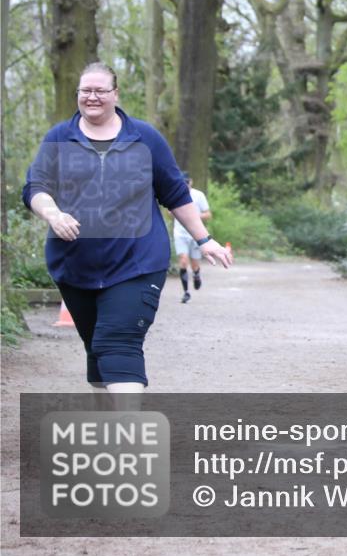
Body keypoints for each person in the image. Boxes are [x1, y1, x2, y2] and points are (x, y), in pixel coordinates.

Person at [22, 62, 233, 398]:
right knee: (97, 350)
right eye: (85, 91)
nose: (92, 97)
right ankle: (108, 433)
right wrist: (53, 213)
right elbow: (36, 187)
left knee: (118, 343)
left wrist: (204, 239)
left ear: (115, 94)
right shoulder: (59, 137)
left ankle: (127, 437)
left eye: (100, 90)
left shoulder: (145, 138)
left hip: (137, 263)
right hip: (75, 267)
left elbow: (175, 193)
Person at [173, 172, 212, 303]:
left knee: (195, 263)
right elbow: (169, 211)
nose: (185, 185)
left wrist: (194, 216)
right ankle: (186, 292)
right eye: (182, 182)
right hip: (180, 233)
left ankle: (196, 274)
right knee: (183, 260)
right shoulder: (175, 193)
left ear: (191, 182)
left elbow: (208, 214)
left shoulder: (198, 195)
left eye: (186, 182)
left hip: (195, 234)